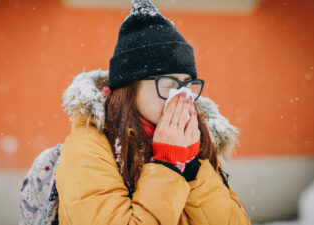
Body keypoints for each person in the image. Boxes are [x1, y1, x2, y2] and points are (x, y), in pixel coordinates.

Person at [56, 0, 251, 224]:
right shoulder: (87, 149)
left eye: (187, 84)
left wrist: (191, 168)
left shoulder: (195, 141)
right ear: (129, 88)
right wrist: (168, 165)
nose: (181, 96)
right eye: (167, 84)